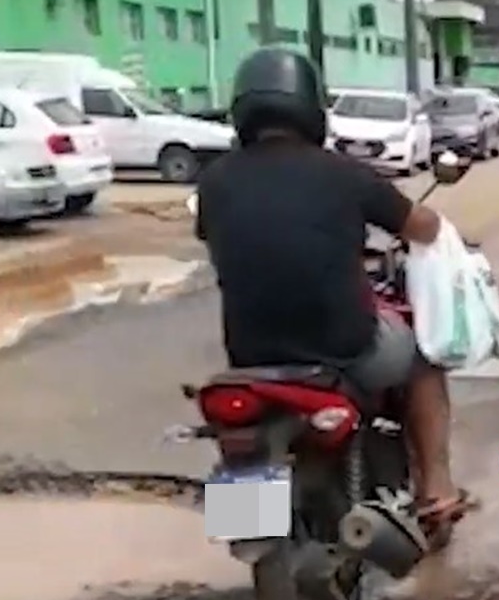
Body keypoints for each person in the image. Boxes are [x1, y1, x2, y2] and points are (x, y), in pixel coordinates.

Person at [193, 47, 476, 534]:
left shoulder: (216, 181)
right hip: (343, 348)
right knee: (424, 361)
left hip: (249, 358)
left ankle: (247, 523)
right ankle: (436, 490)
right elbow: (422, 227)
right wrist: (441, 232)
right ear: (310, 106)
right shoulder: (343, 173)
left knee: (236, 428)